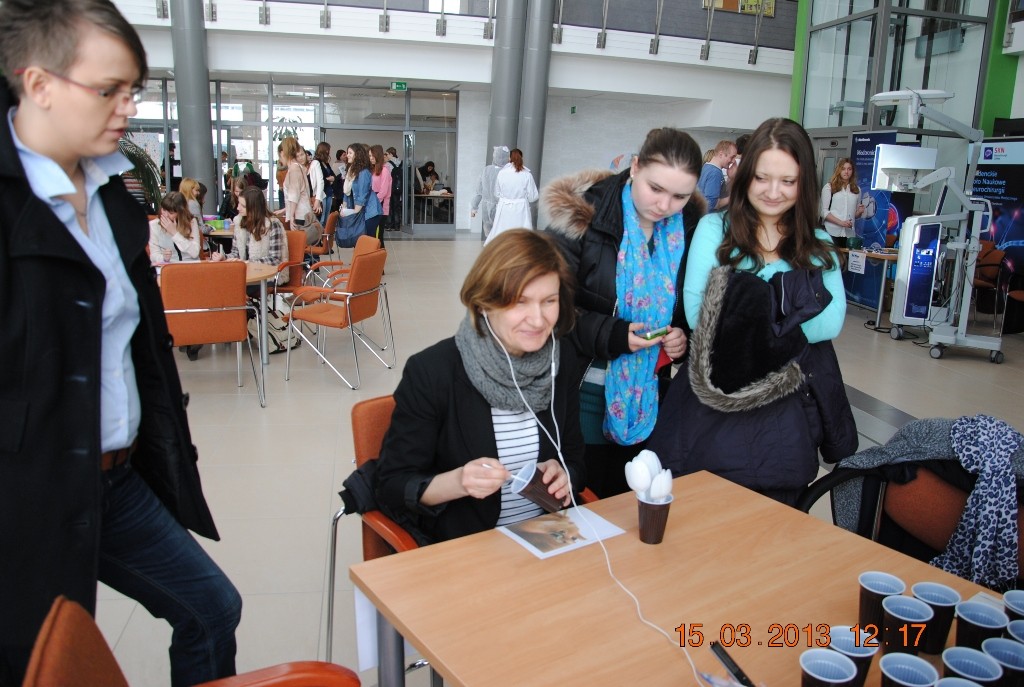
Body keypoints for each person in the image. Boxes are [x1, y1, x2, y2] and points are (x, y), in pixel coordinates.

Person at [0, 1, 241, 685]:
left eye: (133, 89)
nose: (128, 108)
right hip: (32, 492)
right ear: (39, 84)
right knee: (38, 661)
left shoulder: (112, 193)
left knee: (211, 608)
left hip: (117, 477)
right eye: (109, 89)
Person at [646, 118, 857, 506]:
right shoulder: (715, 229)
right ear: (745, 176)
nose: (773, 192)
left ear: (804, 183)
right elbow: (701, 318)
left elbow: (831, 321)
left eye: (788, 181)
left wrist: (745, 300)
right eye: (763, 178)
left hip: (786, 424)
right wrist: (791, 298)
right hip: (712, 412)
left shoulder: (817, 241)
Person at [375, 230, 586, 544]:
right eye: (520, 302)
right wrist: (458, 482)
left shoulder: (560, 360)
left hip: (546, 537)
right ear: (484, 303)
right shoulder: (434, 372)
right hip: (469, 546)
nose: (538, 319)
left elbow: (575, 457)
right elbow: (391, 485)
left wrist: (565, 474)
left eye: (549, 301)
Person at [543, 127, 705, 497]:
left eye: (679, 196)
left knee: (628, 505)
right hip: (580, 393)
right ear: (635, 167)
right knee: (581, 503)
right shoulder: (582, 217)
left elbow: (691, 306)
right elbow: (549, 309)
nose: (664, 205)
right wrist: (613, 334)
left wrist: (683, 336)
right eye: (655, 188)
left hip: (649, 398)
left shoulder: (688, 229)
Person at [213, 186, 289, 292]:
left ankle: (244, 302)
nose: (238, 208)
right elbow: (235, 254)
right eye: (238, 204)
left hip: (267, 276)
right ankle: (243, 302)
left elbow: (275, 260)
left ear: (254, 207)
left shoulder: (272, 225)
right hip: (245, 274)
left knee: (227, 287)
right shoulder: (239, 223)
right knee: (217, 283)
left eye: (243, 206)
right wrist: (224, 257)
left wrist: (247, 262)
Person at [487, 148, 539, 244]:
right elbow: (533, 197)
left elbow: (497, 193)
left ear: (509, 158)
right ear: (521, 158)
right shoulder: (527, 174)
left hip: (504, 207)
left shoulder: (502, 173)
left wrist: (505, 197)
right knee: (521, 233)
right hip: (521, 208)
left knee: (502, 230)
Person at [341, 142, 382, 241]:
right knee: (359, 240)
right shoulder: (351, 171)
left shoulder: (363, 172)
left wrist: (355, 212)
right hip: (360, 210)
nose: (347, 155)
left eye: (350, 153)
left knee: (367, 241)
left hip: (370, 212)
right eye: (347, 152)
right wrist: (344, 207)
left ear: (357, 155)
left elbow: (362, 195)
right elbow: (347, 192)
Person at [148, 191, 200, 264]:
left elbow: (195, 253)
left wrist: (175, 233)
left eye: (171, 213)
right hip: (169, 266)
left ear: (180, 213)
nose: (165, 215)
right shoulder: (154, 225)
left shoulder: (191, 222)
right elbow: (154, 255)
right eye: (164, 210)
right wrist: (163, 258)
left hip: (190, 265)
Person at [821, 157, 862, 248]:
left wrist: (859, 212)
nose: (846, 172)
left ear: (852, 171)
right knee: (832, 257)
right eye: (843, 169)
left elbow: (854, 215)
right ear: (838, 170)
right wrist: (841, 223)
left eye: (849, 169)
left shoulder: (857, 190)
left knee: (846, 257)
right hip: (831, 232)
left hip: (849, 235)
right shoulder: (829, 187)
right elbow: (824, 212)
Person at [471, 145, 509, 239]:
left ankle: (490, 247)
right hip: (502, 207)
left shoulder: (486, 170)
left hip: (486, 207)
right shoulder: (507, 172)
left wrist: (474, 208)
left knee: (489, 234)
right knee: (501, 235)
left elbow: (479, 191)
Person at [279, 136, 312, 228]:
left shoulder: (294, 168)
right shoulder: (298, 167)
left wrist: (291, 216)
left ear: (282, 153)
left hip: (299, 216)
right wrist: (285, 210)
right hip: (303, 213)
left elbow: (294, 195)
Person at [697, 139, 737, 211]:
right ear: (721, 154)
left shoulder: (706, 167)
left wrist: (731, 177)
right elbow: (711, 204)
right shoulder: (715, 173)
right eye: (732, 157)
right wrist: (734, 197)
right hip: (712, 216)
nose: (733, 161)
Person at [368, 144, 391, 243]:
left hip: (380, 205)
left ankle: (379, 252)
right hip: (374, 203)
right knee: (373, 235)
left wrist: (373, 202)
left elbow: (383, 191)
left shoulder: (384, 170)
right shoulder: (373, 170)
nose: (371, 158)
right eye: (369, 156)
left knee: (378, 236)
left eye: (372, 156)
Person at [314, 142, 334, 225]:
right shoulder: (316, 162)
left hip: (329, 191)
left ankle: (325, 232)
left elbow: (333, 175)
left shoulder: (326, 163)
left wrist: (331, 178)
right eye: (328, 150)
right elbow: (318, 179)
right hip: (322, 193)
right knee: (321, 217)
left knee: (326, 217)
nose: (329, 152)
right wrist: (329, 179)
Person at [385, 146, 402, 230]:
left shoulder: (388, 164)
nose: (386, 156)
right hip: (399, 188)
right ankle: (397, 225)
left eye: (387, 154)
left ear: (391, 154)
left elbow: (386, 178)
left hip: (390, 188)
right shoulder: (401, 163)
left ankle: (389, 225)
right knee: (397, 207)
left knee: (389, 207)